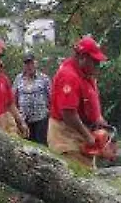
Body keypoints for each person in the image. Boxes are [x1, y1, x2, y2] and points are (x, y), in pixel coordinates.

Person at [49, 35, 109, 168]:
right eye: (94, 61)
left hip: (80, 132)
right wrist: (88, 136)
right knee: (76, 172)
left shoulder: (86, 75)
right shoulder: (69, 76)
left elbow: (90, 101)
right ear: (83, 57)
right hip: (67, 135)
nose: (97, 65)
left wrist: (99, 120)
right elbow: (68, 114)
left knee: (88, 171)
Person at [16, 52, 51, 145]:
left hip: (41, 118)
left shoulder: (44, 78)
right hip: (24, 119)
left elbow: (50, 96)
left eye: (31, 63)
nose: (29, 66)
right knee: (26, 145)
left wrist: (50, 113)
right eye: (27, 63)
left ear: (35, 63)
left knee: (41, 144)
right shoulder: (18, 78)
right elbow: (14, 96)